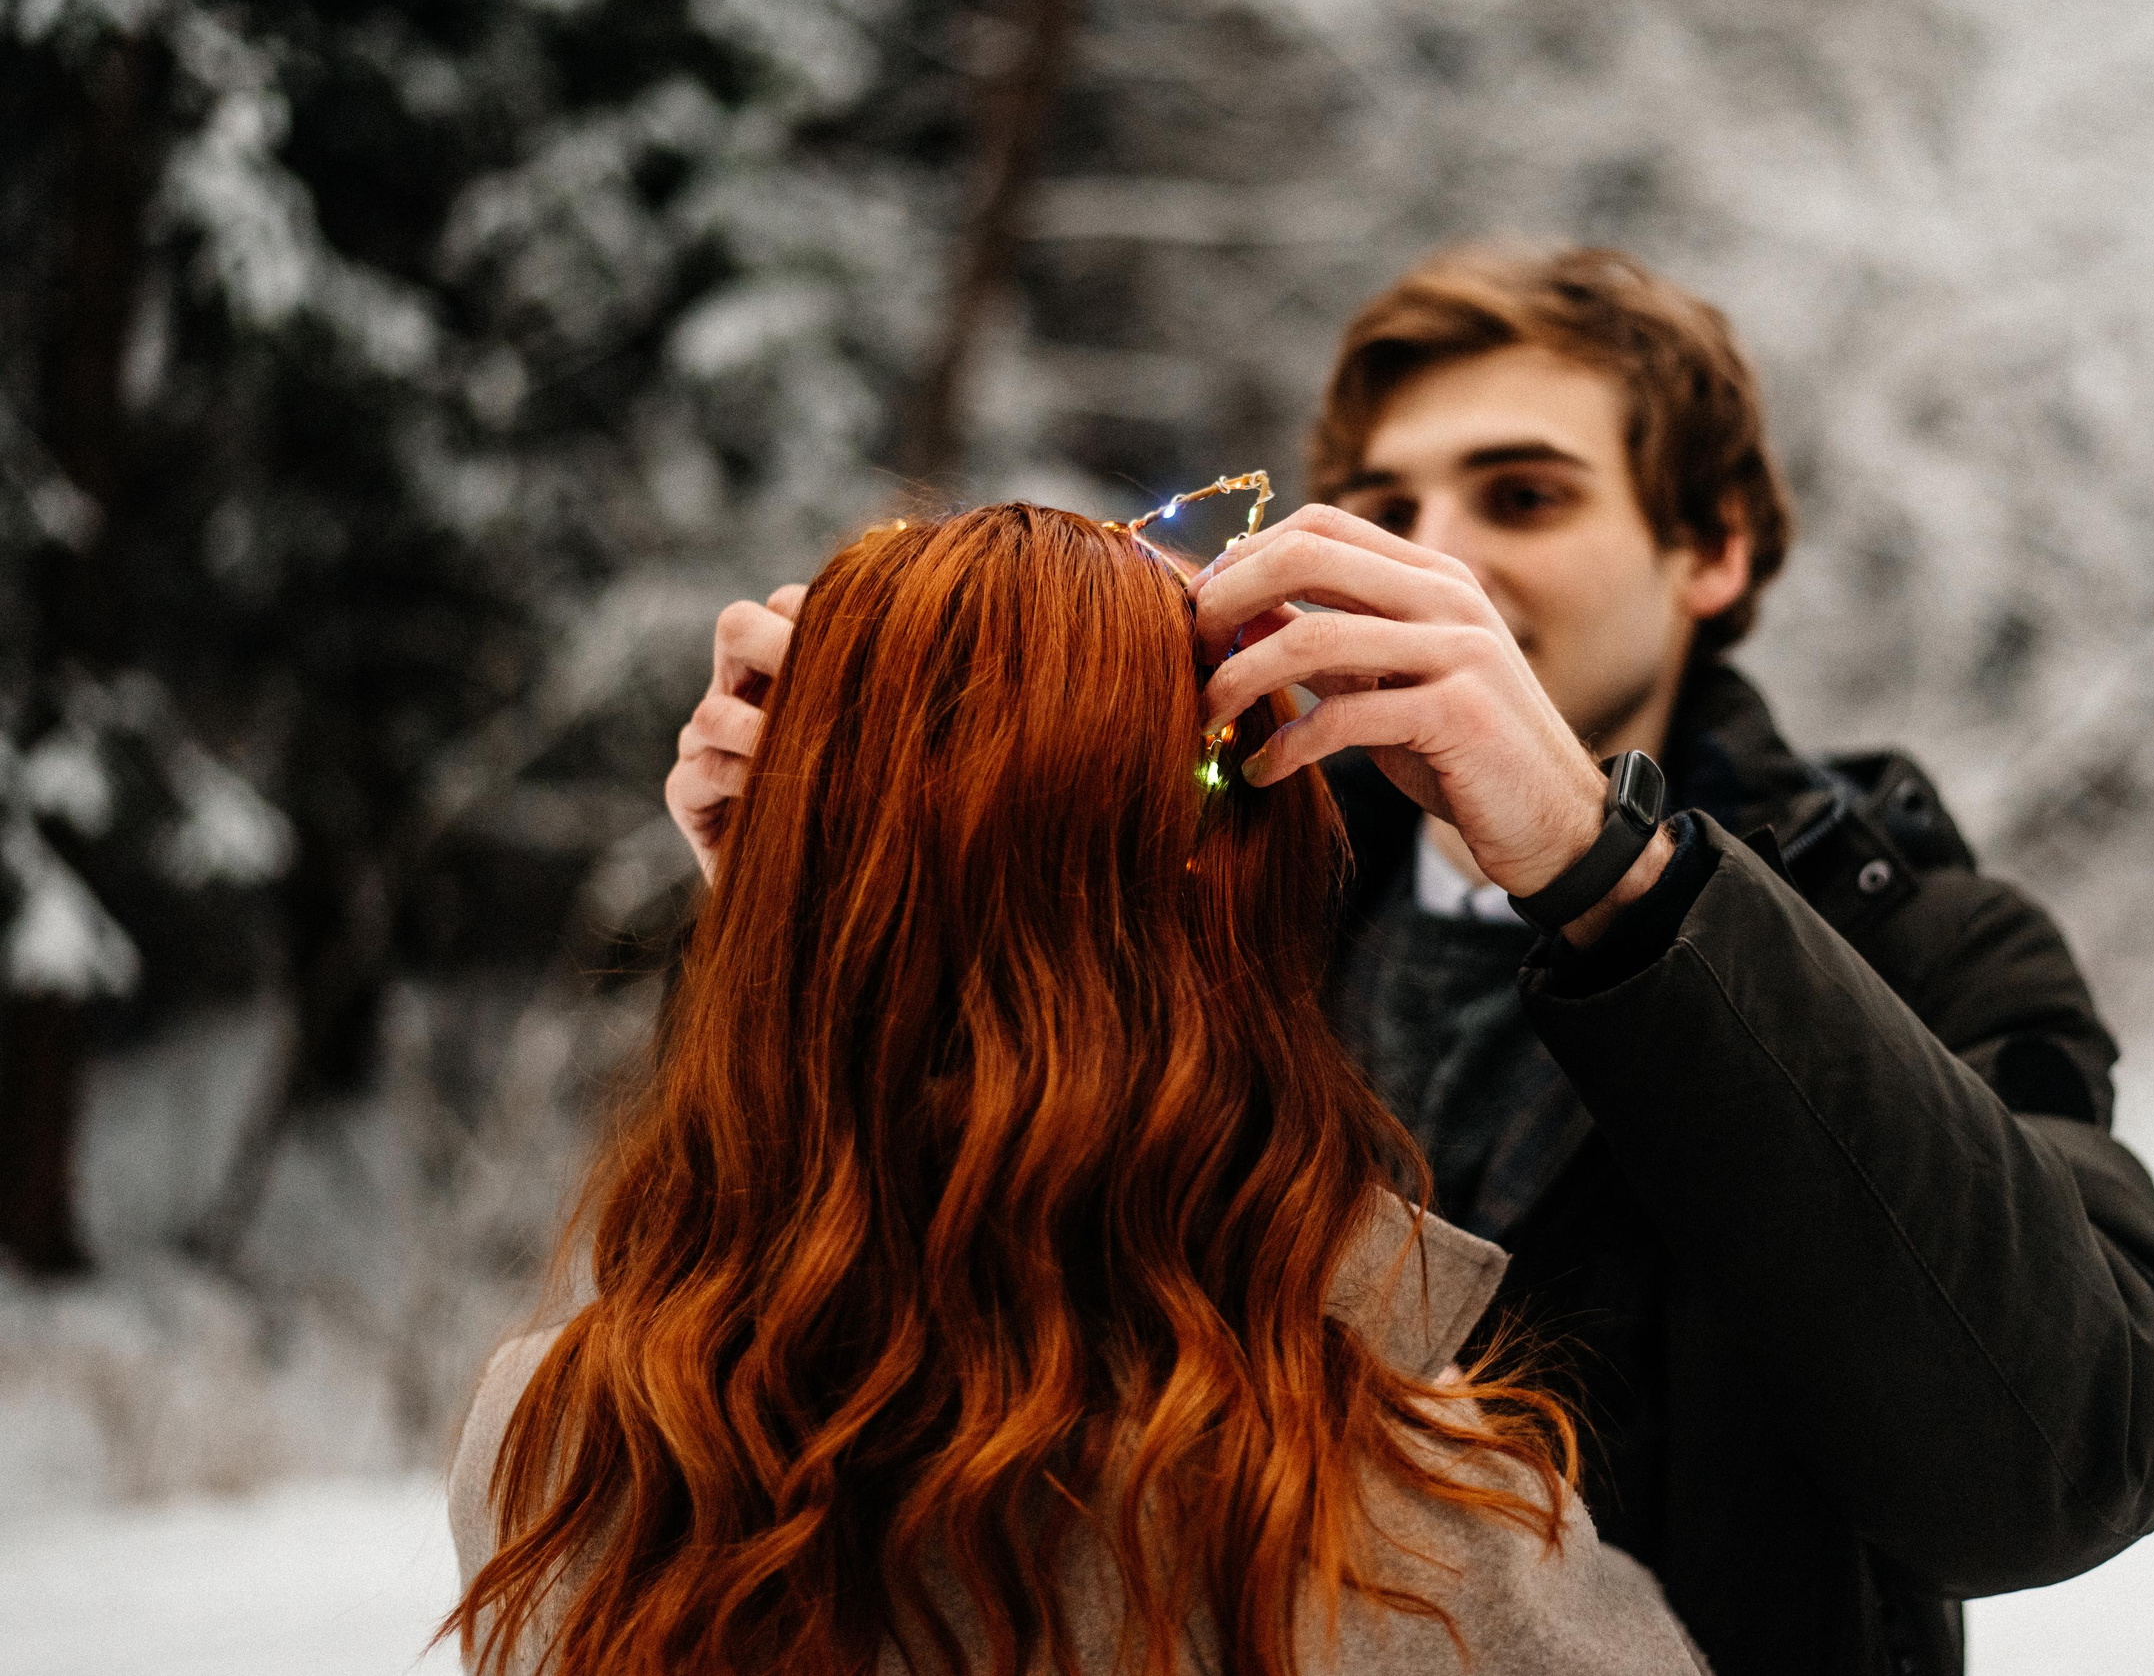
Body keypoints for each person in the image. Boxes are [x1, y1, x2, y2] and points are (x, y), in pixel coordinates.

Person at [667, 248, 2154, 1676]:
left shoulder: (1915, 937)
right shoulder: (1229, 876)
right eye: (1385, 506)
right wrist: (821, 903)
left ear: (1714, 549)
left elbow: (2074, 1455)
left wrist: (1602, 866)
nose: (1443, 562)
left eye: (1526, 497)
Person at [446, 503, 1708, 1676]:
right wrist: (1597, 857)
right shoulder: (1408, 1531)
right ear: (1251, 921)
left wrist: (815, 927)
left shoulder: (561, 1453)